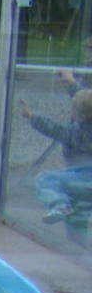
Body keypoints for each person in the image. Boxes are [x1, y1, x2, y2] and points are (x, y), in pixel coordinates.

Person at [18, 90, 92, 225]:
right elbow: (87, 105)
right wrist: (71, 83)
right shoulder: (81, 122)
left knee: (45, 179)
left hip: (80, 178)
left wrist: (31, 116)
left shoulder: (73, 133)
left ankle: (61, 205)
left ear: (81, 117)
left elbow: (52, 128)